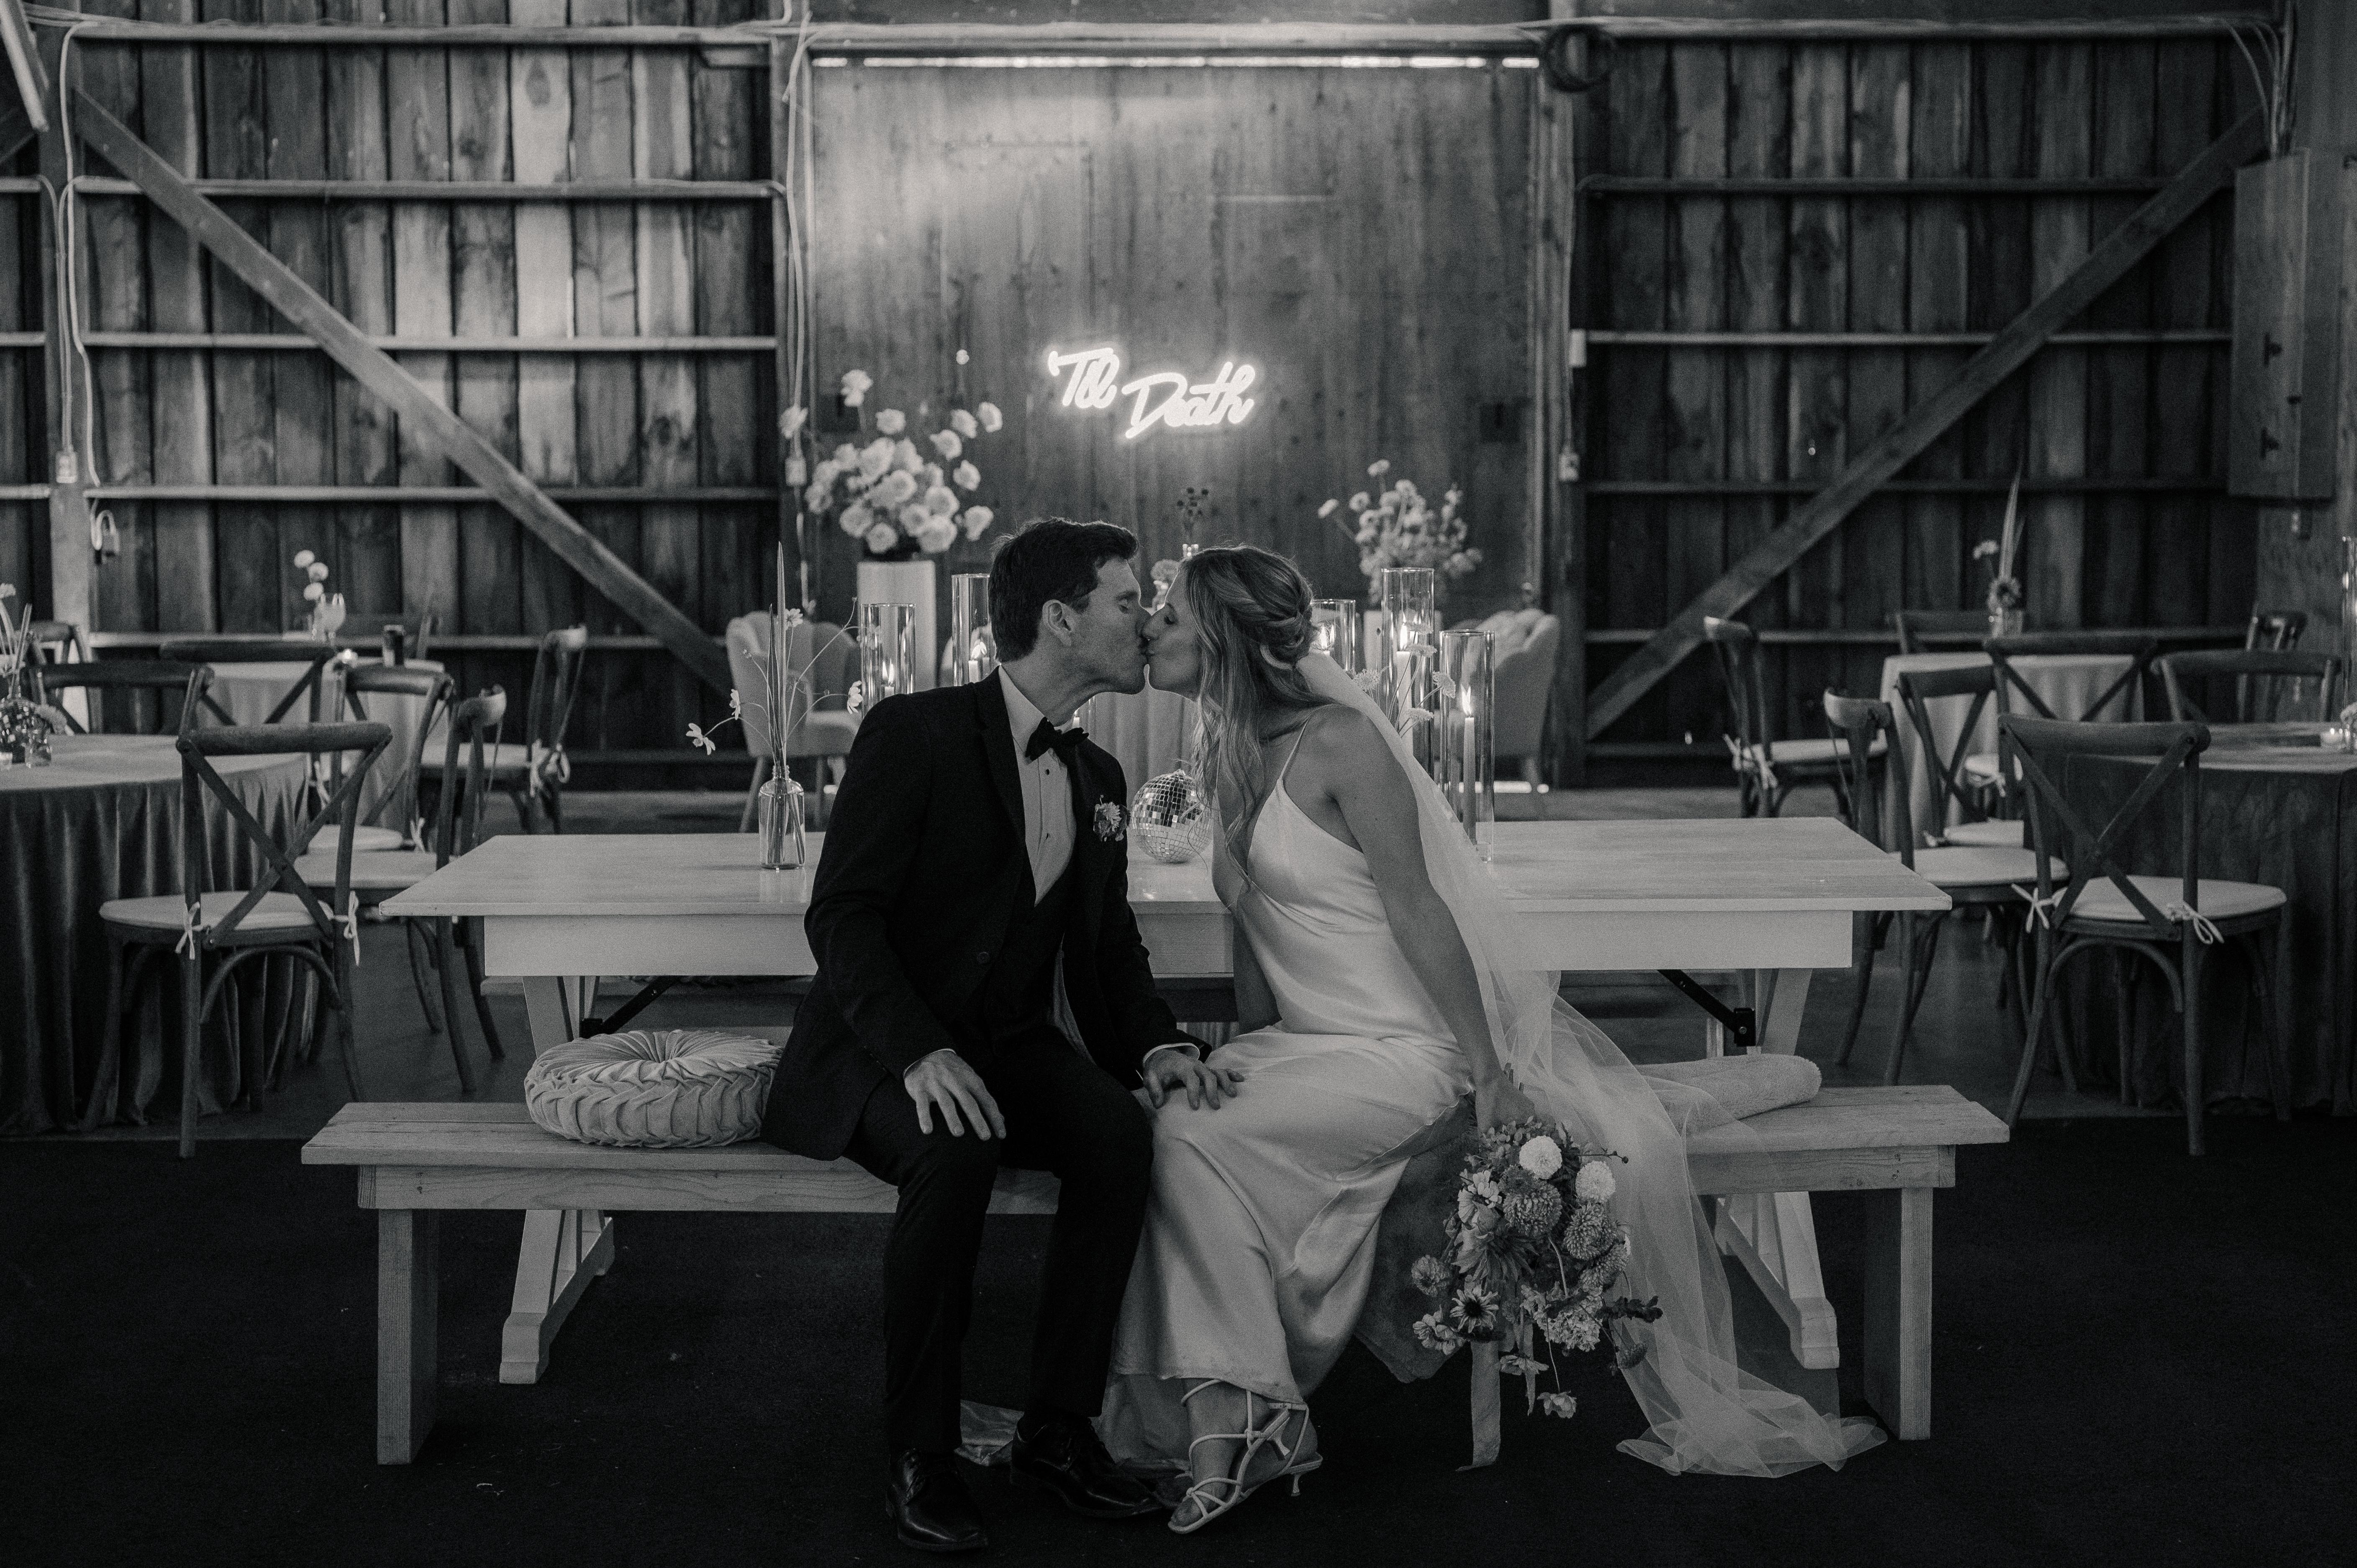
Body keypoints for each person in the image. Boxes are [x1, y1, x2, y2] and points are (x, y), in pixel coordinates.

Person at [1103, 545, 1882, 1534]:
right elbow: (1259, 932)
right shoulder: (1221, 754)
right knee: (1167, 1120)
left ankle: (1246, 1417)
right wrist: (1240, 1049)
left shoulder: (1341, 741)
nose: (1151, 628)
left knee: (1193, 1141)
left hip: (1401, 1054)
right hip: (1306, 1047)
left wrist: (1490, 1072)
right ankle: (1242, 1416)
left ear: (1221, 635)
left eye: (1169, 613)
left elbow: (1424, 913)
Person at [762, 519, 1239, 1554]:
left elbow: (1109, 950)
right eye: (1128, 600)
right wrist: (919, 1050)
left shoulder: (1100, 777)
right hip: (881, 1049)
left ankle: (1059, 1430)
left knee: (1119, 1134)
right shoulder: (916, 731)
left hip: (1013, 1045)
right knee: (954, 1139)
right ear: (1061, 619)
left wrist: (1158, 1044)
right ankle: (920, 1449)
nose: (1144, 620)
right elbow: (842, 917)